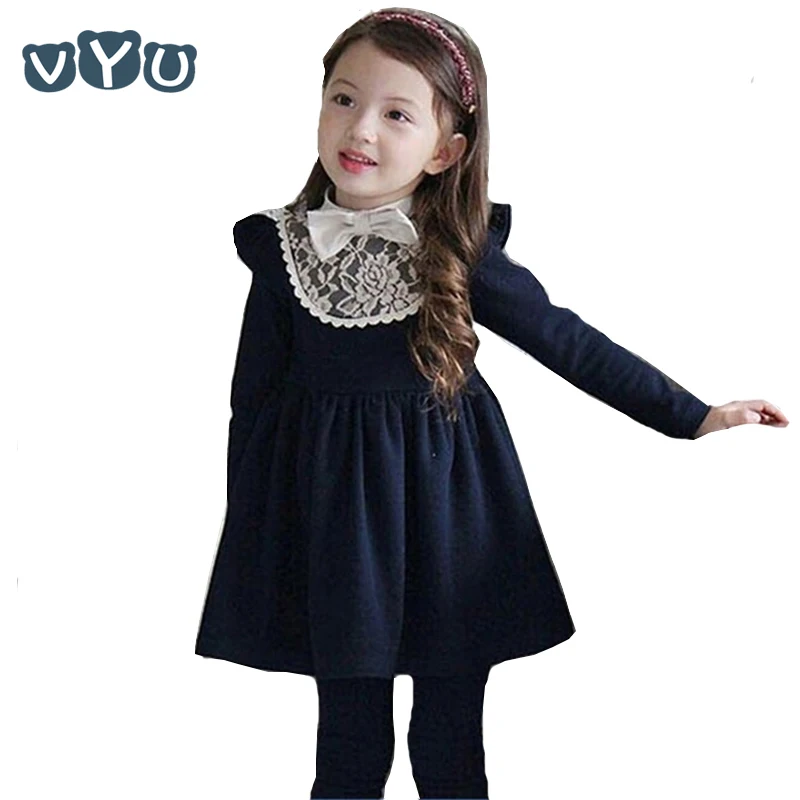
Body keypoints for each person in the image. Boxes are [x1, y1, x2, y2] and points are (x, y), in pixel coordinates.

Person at [194, 8, 789, 799]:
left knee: (448, 736)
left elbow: (565, 338)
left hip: (450, 509)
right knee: (349, 739)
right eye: (343, 99)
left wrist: (692, 413)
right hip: (338, 520)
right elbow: (253, 402)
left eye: (397, 114)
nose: (360, 128)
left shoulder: (459, 246)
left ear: (446, 150)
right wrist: (258, 532)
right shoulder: (280, 251)